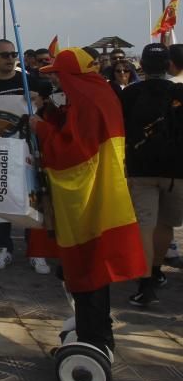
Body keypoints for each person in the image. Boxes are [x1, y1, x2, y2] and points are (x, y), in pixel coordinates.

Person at [29, 48, 147, 354]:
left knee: (89, 268)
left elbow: (72, 154)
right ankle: (94, 332)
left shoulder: (87, 100)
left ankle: (94, 339)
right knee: (88, 270)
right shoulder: (98, 94)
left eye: (57, 73)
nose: (54, 78)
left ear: (73, 75)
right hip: (101, 191)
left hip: (88, 197)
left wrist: (40, 128)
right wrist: (53, 115)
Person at [0, 39, 52, 274]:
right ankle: (3, 246)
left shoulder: (29, 81)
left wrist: (41, 97)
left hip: (29, 149)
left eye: (13, 54)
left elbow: (51, 96)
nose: (10, 58)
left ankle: (36, 250)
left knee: (33, 198)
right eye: (5, 55)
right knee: (2, 195)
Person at [119, 43, 183, 307]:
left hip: (140, 168)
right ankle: (156, 271)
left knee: (145, 225)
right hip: (176, 171)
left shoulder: (131, 93)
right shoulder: (179, 92)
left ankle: (145, 284)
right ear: (169, 64)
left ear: (141, 66)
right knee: (165, 225)